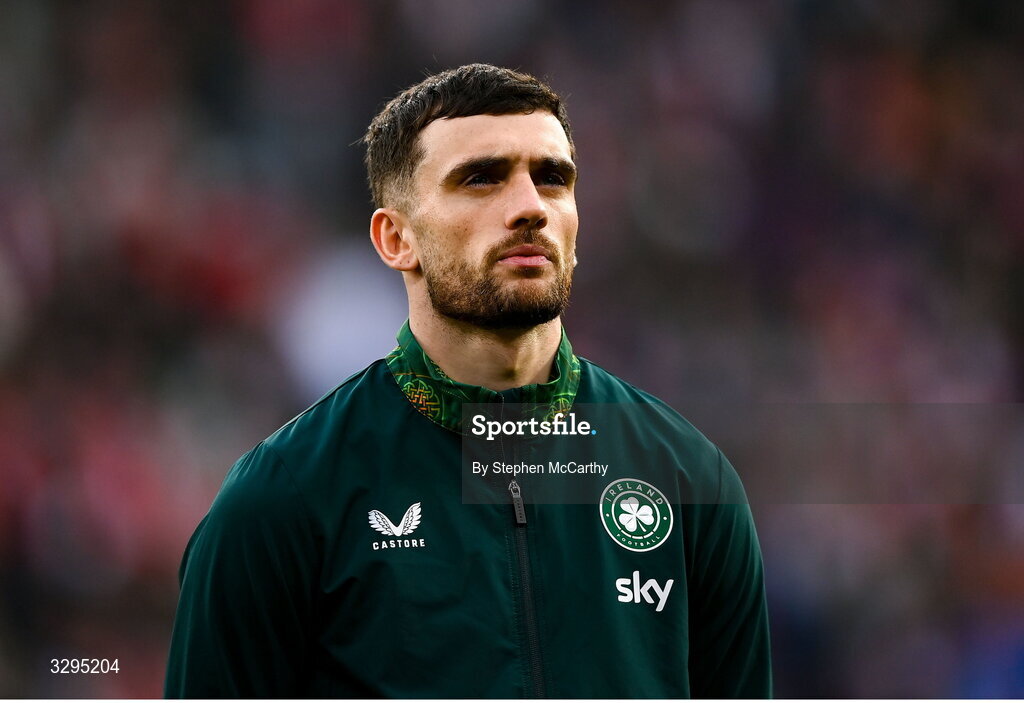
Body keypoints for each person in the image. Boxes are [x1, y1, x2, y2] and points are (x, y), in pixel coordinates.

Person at [164, 63, 771, 698]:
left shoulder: (688, 478)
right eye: (481, 179)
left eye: (552, 178)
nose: (530, 207)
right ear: (397, 237)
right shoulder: (284, 499)